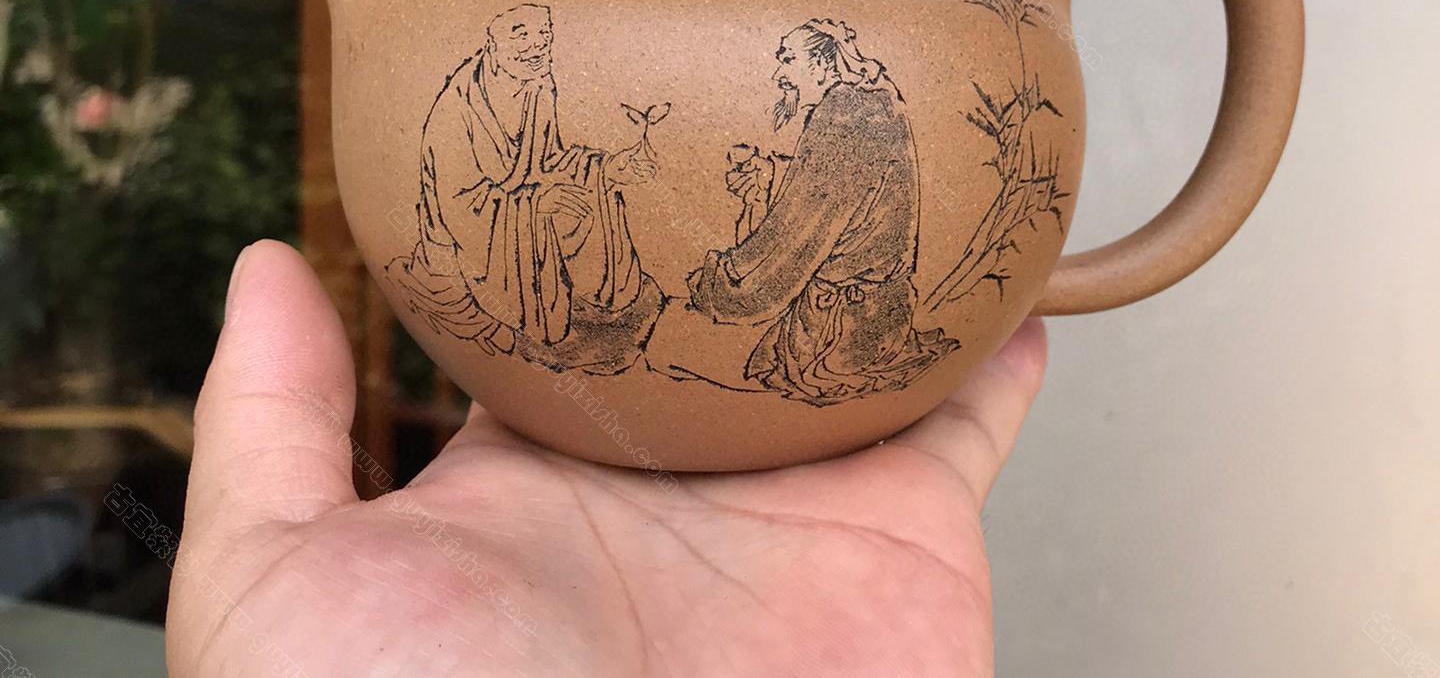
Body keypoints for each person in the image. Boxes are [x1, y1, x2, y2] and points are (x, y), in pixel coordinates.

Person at [167, 241, 1047, 676]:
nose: (784, 88)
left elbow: (789, 240)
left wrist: (721, 284)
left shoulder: (850, 120)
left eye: (789, 72)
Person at [687, 19, 959, 405]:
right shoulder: (872, 102)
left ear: (820, 63)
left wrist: (727, 282)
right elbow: (845, 192)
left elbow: (803, 230)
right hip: (881, 319)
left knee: (680, 355)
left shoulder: (844, 114)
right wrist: (771, 172)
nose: (779, 74)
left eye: (788, 60)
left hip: (836, 336)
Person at [386, 4, 662, 375]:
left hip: (519, 210)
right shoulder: (458, 110)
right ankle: (542, 322)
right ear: (493, 45)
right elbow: (461, 206)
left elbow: (548, 162)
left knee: (593, 194)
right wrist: (534, 205)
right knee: (543, 214)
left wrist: (608, 168)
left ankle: (600, 300)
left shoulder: (537, 86)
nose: (536, 46)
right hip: (472, 236)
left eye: (543, 34)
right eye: (521, 35)